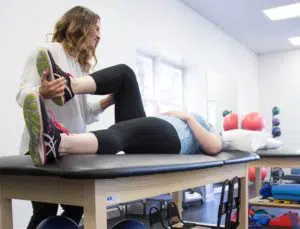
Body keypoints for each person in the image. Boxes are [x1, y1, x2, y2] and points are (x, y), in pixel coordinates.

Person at [16, 6, 145, 228]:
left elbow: (83, 114)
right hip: (41, 146)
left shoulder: (81, 68)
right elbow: (22, 95)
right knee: (45, 210)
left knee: (76, 207)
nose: (99, 35)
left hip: (70, 147)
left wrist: (108, 101)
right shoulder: (47, 51)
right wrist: (41, 92)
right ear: (79, 26)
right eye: (95, 28)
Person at [23, 48, 222, 164]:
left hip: (173, 138)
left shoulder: (215, 133)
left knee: (121, 132)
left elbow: (213, 147)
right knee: (125, 74)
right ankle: (69, 86)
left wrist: (188, 117)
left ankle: (57, 143)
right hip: (160, 131)